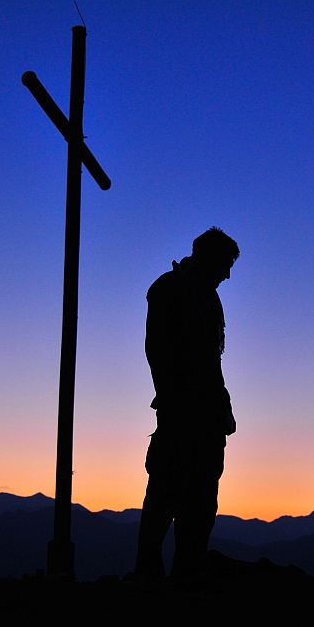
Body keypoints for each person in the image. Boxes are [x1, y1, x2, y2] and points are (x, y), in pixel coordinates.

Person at [133, 227, 239, 584]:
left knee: (201, 503)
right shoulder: (169, 290)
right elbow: (158, 352)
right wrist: (175, 400)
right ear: (209, 258)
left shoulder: (207, 298)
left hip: (207, 415)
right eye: (225, 264)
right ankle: (149, 577)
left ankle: (186, 577)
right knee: (165, 497)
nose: (228, 274)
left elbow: (212, 359)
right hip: (181, 414)